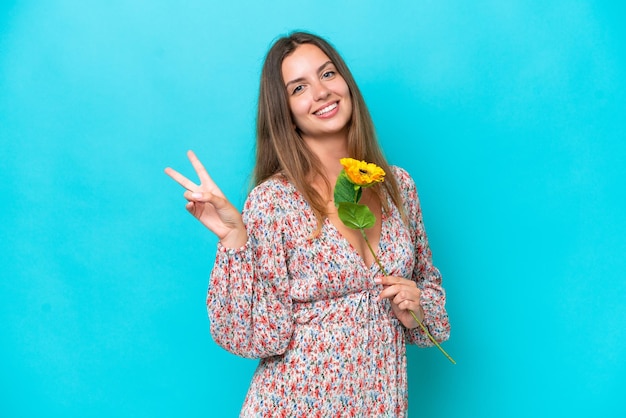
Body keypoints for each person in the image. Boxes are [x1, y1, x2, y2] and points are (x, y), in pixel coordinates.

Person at [165, 31, 450, 417]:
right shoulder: (274, 201)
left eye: (328, 74)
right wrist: (235, 241)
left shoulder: (397, 186)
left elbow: (429, 296)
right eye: (299, 87)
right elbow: (251, 336)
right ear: (286, 112)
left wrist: (417, 306)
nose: (321, 92)